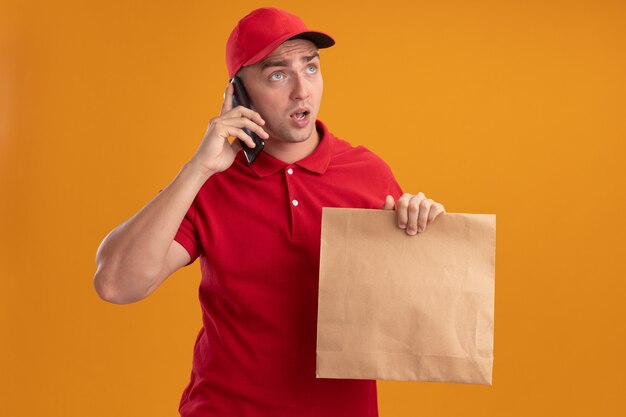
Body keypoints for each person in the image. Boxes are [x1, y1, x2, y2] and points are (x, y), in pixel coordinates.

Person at [94, 7, 446, 417]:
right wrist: (198, 168)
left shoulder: (368, 174)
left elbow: (405, 321)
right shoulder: (210, 183)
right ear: (238, 94)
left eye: (311, 68)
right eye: (278, 74)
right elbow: (117, 285)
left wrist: (422, 235)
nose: (302, 90)